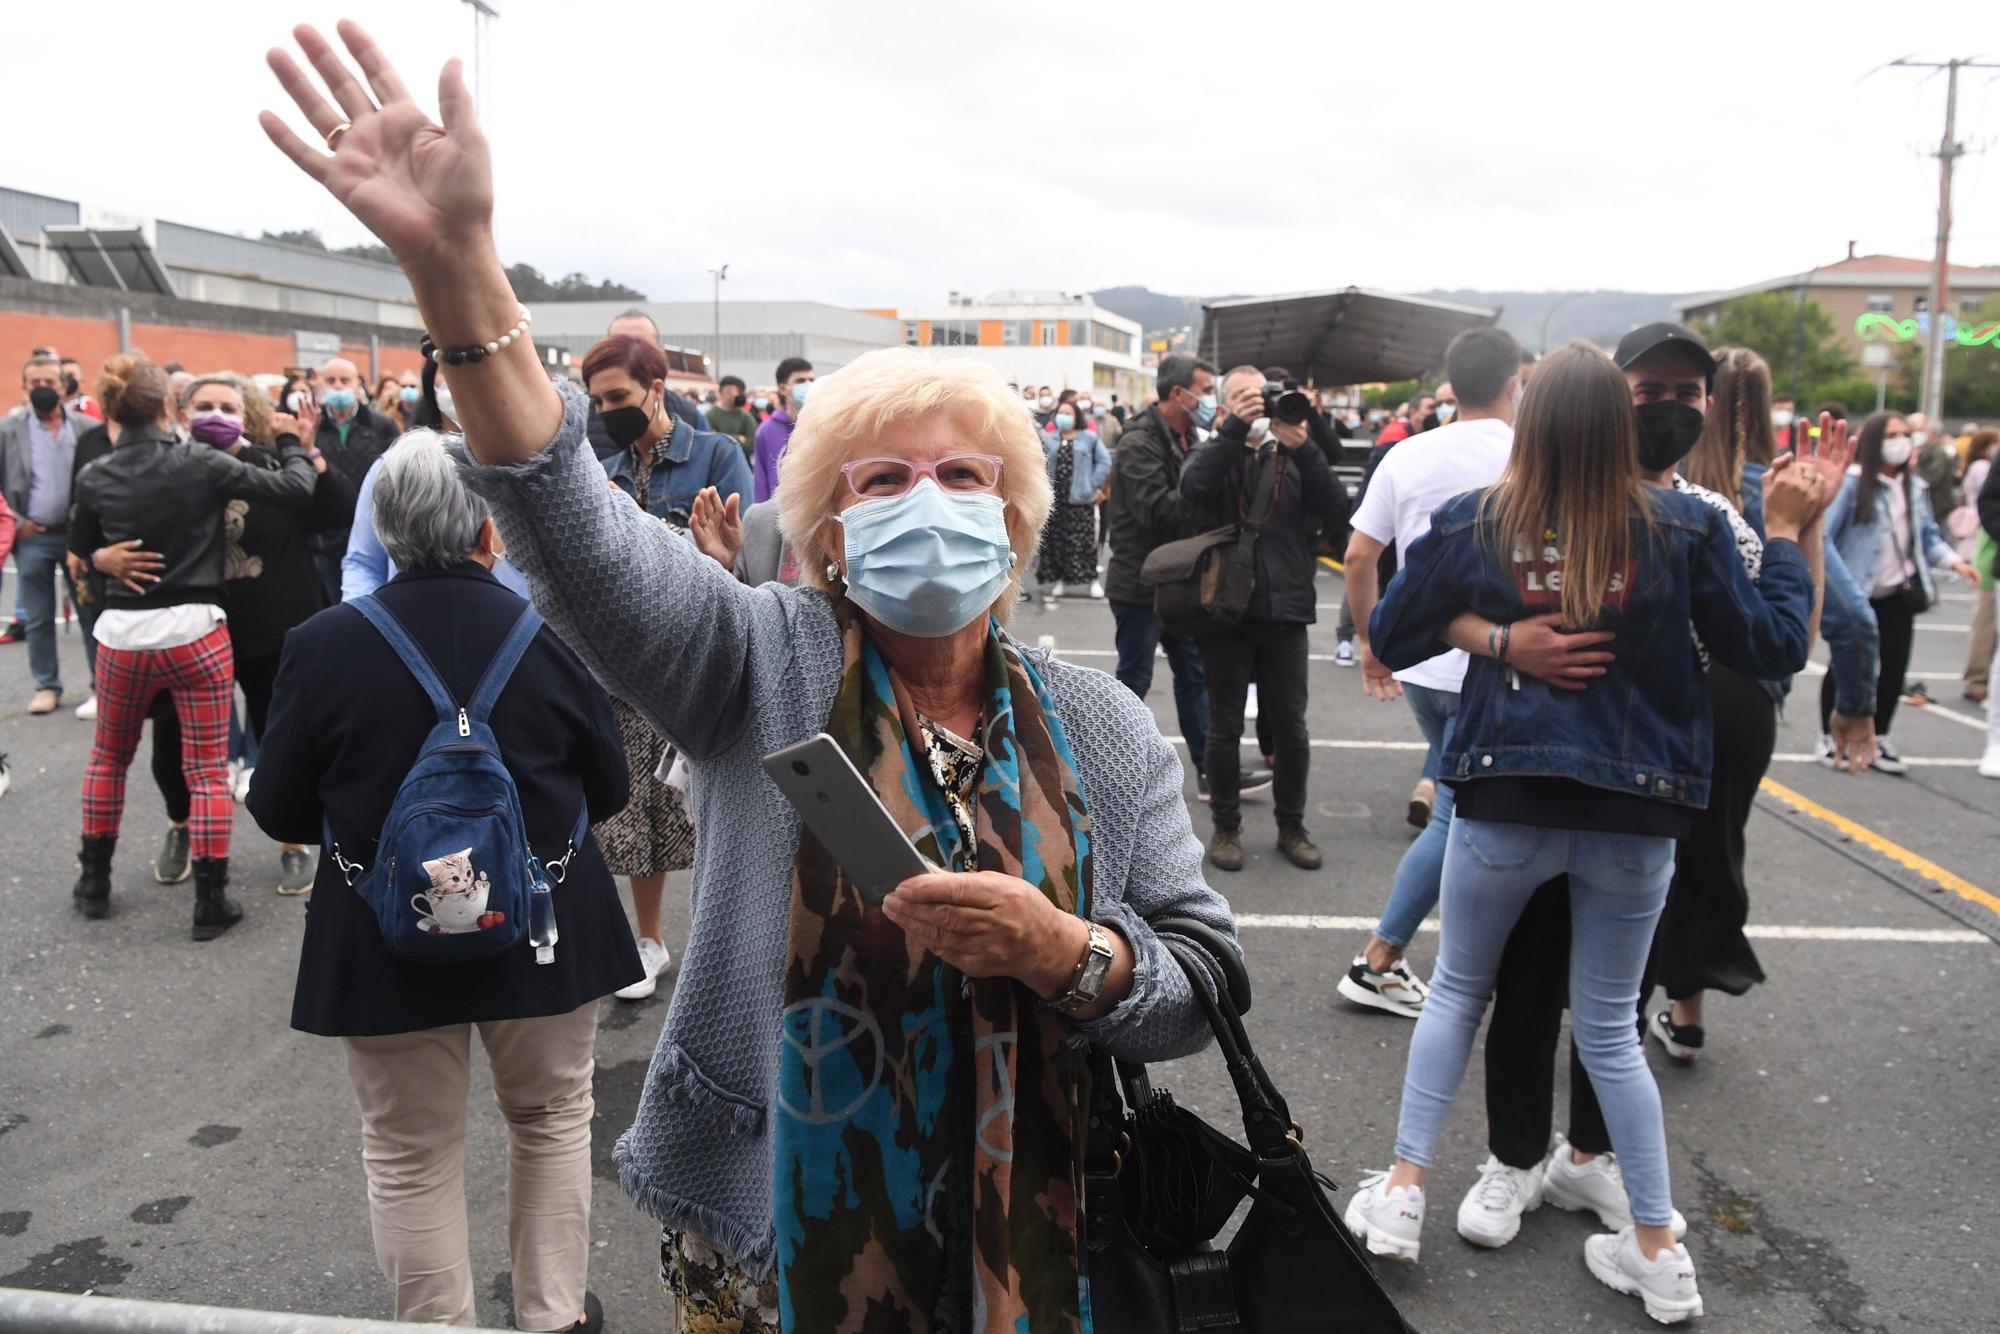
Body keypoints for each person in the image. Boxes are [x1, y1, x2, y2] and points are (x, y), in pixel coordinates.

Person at [261, 29, 1238, 1327]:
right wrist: (459, 276)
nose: (927, 498)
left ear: (1016, 522)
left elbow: (1201, 981)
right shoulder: (750, 660)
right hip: (768, 1239)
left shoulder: (1102, 725)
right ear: (826, 529)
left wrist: (1069, 950)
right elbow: (572, 529)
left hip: (1033, 1230)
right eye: (882, 478)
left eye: (964, 475)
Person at [1341, 341, 1827, 1324]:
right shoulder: (1686, 523)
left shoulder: (1482, 517)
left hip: (1504, 796)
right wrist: (1781, 533)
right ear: (1617, 420)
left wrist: (1493, 636)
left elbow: (1387, 633)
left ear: (1533, 421)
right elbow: (1775, 644)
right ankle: (1657, 1249)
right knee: (1607, 1027)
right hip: (1636, 812)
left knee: (1458, 993)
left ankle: (1400, 1190)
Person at [246, 431, 638, 1332]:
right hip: (542, 917)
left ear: (380, 528)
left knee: (409, 1152)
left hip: (383, 933)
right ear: (491, 530)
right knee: (549, 1120)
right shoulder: (548, 634)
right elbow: (610, 788)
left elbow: (279, 807)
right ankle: (551, 1315)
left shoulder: (322, 644)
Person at [66, 356, 316, 938]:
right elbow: (295, 488)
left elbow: (82, 549)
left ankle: (94, 881)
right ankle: (211, 901)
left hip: (123, 634)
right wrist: (289, 441)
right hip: (196, 629)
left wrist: (104, 560)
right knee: (208, 771)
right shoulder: (199, 463)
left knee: (108, 758)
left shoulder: (95, 474)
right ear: (166, 410)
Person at [1339, 326, 1523, 1016]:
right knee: (1458, 816)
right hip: (1499, 663)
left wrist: (1373, 640)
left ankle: (1403, 958)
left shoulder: (1407, 454)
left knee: (1459, 802)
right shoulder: (1532, 454)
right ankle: (1378, 956)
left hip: (1422, 663)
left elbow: (1360, 558)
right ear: (1514, 383)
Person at [136, 374, 354, 896]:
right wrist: (103, 554)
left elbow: (337, 510)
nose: (216, 414)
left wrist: (310, 455)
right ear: (183, 413)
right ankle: (180, 827)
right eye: (205, 405)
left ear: (247, 413)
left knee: (284, 741)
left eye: (227, 406)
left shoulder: (273, 464)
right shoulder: (167, 471)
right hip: (186, 630)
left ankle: (293, 841)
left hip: (271, 629)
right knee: (171, 743)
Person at [585, 331, 752, 1002]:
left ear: (657, 390)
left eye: (618, 396)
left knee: (716, 804)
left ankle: (732, 942)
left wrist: (680, 546)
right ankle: (648, 939)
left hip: (699, 657)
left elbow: (745, 551)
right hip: (627, 663)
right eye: (597, 401)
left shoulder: (714, 454)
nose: (606, 411)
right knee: (636, 812)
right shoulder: (605, 466)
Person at [1182, 367, 1344, 872]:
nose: (1257, 406)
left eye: (1263, 397)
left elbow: (1336, 508)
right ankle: (1226, 827)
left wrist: (1306, 444)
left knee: (1292, 728)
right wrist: (1234, 433)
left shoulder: (1294, 454)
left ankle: (1291, 826)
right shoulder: (1217, 448)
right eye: (1242, 398)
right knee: (1225, 726)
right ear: (1225, 407)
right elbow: (1194, 487)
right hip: (1226, 611)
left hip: (1287, 609)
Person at [1817, 410, 1979, 775]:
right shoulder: (1852, 483)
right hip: (1857, 590)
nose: (1902, 441)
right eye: (1892, 434)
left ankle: (1881, 735)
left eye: (1906, 434)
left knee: (1894, 667)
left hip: (1897, 593)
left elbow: (1927, 539)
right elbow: (1824, 535)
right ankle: (1829, 734)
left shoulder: (1914, 488)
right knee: (1846, 664)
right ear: (1875, 440)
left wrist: (1954, 562)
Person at [1105, 354, 1224, 800]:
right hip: (1140, 585)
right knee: (1133, 682)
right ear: (1179, 394)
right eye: (1206, 390)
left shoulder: (1190, 436)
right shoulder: (1139, 443)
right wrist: (1207, 483)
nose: (1210, 399)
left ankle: (1210, 771)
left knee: (1194, 676)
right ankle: (1113, 774)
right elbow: (1160, 510)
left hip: (1181, 584)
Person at [0, 354, 99, 713]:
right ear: (24, 387)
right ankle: (46, 686)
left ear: (64, 386)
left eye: (50, 383)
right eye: (35, 384)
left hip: (78, 537)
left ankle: (99, 686)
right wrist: (17, 520)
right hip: (33, 538)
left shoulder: (86, 429)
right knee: (39, 616)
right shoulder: (7, 429)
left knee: (90, 611)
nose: (43, 389)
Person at [307, 356, 400, 602]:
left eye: (344, 380)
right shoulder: (311, 427)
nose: (338, 386)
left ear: (357, 384)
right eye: (331, 380)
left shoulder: (381, 425)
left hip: (374, 531)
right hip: (327, 534)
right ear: (320, 384)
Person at [585, 310, 704, 461]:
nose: (629, 352)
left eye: (640, 344)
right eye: (617, 344)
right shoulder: (580, 417)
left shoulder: (690, 416)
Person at [1037, 399, 1110, 599]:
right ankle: (1060, 580)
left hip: (1081, 499)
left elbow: (1104, 461)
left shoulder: (1089, 438)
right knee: (1058, 542)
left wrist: (1092, 484)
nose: (1064, 417)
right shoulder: (1050, 438)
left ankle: (1092, 580)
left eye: (1068, 413)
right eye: (1061, 412)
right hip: (1056, 499)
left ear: (1076, 416)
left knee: (1083, 541)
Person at [1954, 429, 1997, 703]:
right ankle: (1977, 681)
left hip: (1985, 546)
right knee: (1986, 624)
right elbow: (1989, 503)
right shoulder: (1984, 467)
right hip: (1991, 555)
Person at [750, 356, 813, 502]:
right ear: (783, 388)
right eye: (800, 381)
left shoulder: (821, 425)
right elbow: (761, 478)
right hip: (777, 514)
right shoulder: (766, 431)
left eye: (811, 379)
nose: (808, 385)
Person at [706, 375, 759, 459]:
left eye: (739, 393)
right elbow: (708, 442)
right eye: (729, 392)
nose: (732, 396)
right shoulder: (711, 415)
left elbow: (751, 446)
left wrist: (719, 436)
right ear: (722, 393)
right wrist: (737, 438)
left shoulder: (746, 417)